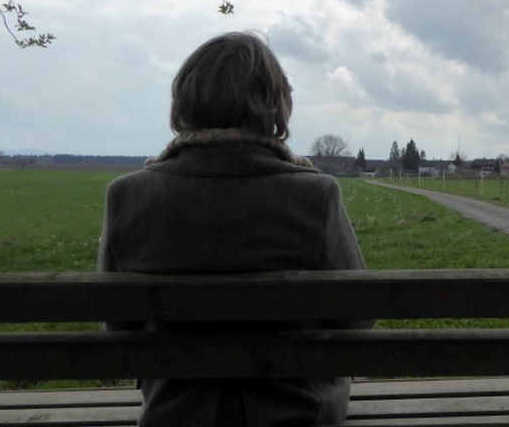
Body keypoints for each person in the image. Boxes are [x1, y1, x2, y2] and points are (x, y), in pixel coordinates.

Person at [98, 31, 369, 426]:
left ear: (184, 99)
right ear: (275, 102)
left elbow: (119, 326)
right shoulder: (315, 195)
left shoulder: (126, 195)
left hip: (176, 413)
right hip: (297, 412)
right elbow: (357, 318)